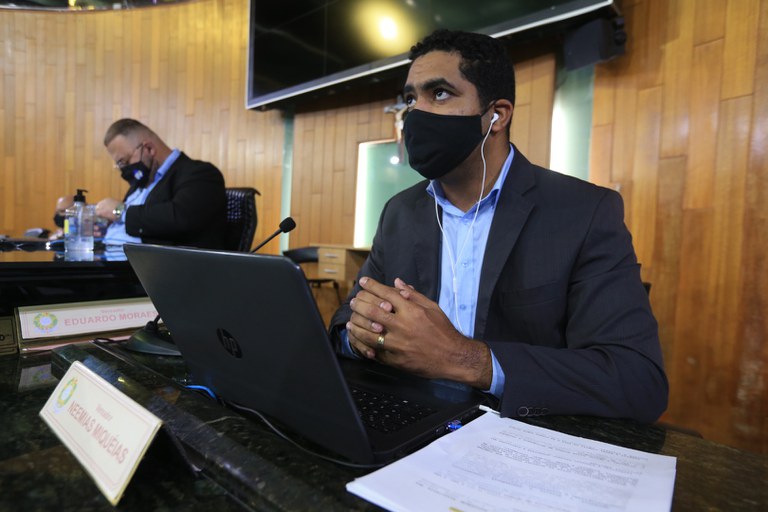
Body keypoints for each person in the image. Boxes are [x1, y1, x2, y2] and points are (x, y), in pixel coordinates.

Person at [330, 29, 668, 423]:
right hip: (410, 421)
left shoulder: (584, 211)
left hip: (520, 433)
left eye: (439, 93)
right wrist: (362, 337)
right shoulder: (399, 212)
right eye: (409, 99)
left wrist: (464, 359)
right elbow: (344, 323)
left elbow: (636, 379)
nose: (415, 113)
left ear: (497, 115)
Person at [53, 119, 227, 249]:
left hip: (155, 274)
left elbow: (180, 218)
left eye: (124, 162)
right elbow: (135, 221)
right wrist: (106, 226)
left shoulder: (199, 174)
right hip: (110, 261)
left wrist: (119, 211)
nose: (124, 170)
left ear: (149, 148)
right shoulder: (140, 184)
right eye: (119, 165)